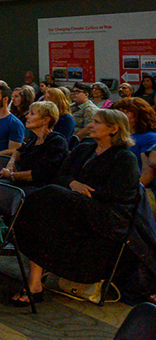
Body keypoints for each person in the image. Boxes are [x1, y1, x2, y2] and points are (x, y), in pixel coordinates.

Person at [13, 109, 141, 306]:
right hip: (74, 205)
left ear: (113, 129)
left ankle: (15, 216)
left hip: (106, 214)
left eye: (96, 122)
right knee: (43, 218)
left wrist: (87, 191)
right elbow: (61, 175)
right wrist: (74, 184)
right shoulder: (84, 149)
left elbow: (121, 195)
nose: (90, 125)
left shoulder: (125, 158)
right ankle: (34, 284)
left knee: (50, 194)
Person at [0, 101, 69, 191]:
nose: (26, 116)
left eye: (32, 114)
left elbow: (39, 174)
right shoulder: (35, 139)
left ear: (45, 120)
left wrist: (12, 175)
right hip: (21, 183)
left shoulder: (57, 142)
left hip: (38, 189)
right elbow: (18, 151)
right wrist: (11, 164)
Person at [113, 97, 156, 166]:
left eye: (125, 112)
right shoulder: (118, 135)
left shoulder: (150, 138)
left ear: (138, 115)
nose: (119, 116)